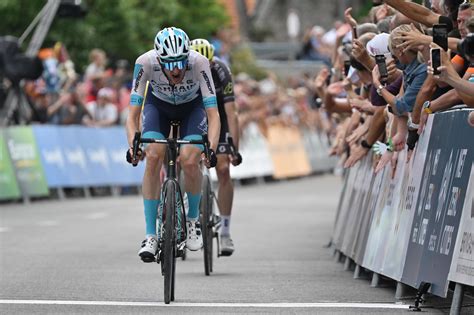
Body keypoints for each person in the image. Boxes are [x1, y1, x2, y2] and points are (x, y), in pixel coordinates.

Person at [125, 27, 220, 262]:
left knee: (189, 158)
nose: (176, 69)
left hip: (192, 108)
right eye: (169, 64)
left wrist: (212, 149)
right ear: (159, 59)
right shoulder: (145, 63)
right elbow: (133, 114)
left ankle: (192, 221)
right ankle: (150, 235)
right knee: (154, 155)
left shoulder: (198, 63)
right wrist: (133, 147)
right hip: (159, 107)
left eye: (180, 63)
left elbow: (213, 114)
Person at [190, 38, 243, 256]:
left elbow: (231, 113)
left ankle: (226, 231)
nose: (206, 68)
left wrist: (234, 148)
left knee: (222, 169)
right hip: (195, 117)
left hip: (218, 118)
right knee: (189, 161)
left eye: (209, 63)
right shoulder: (186, 70)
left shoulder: (221, 71)